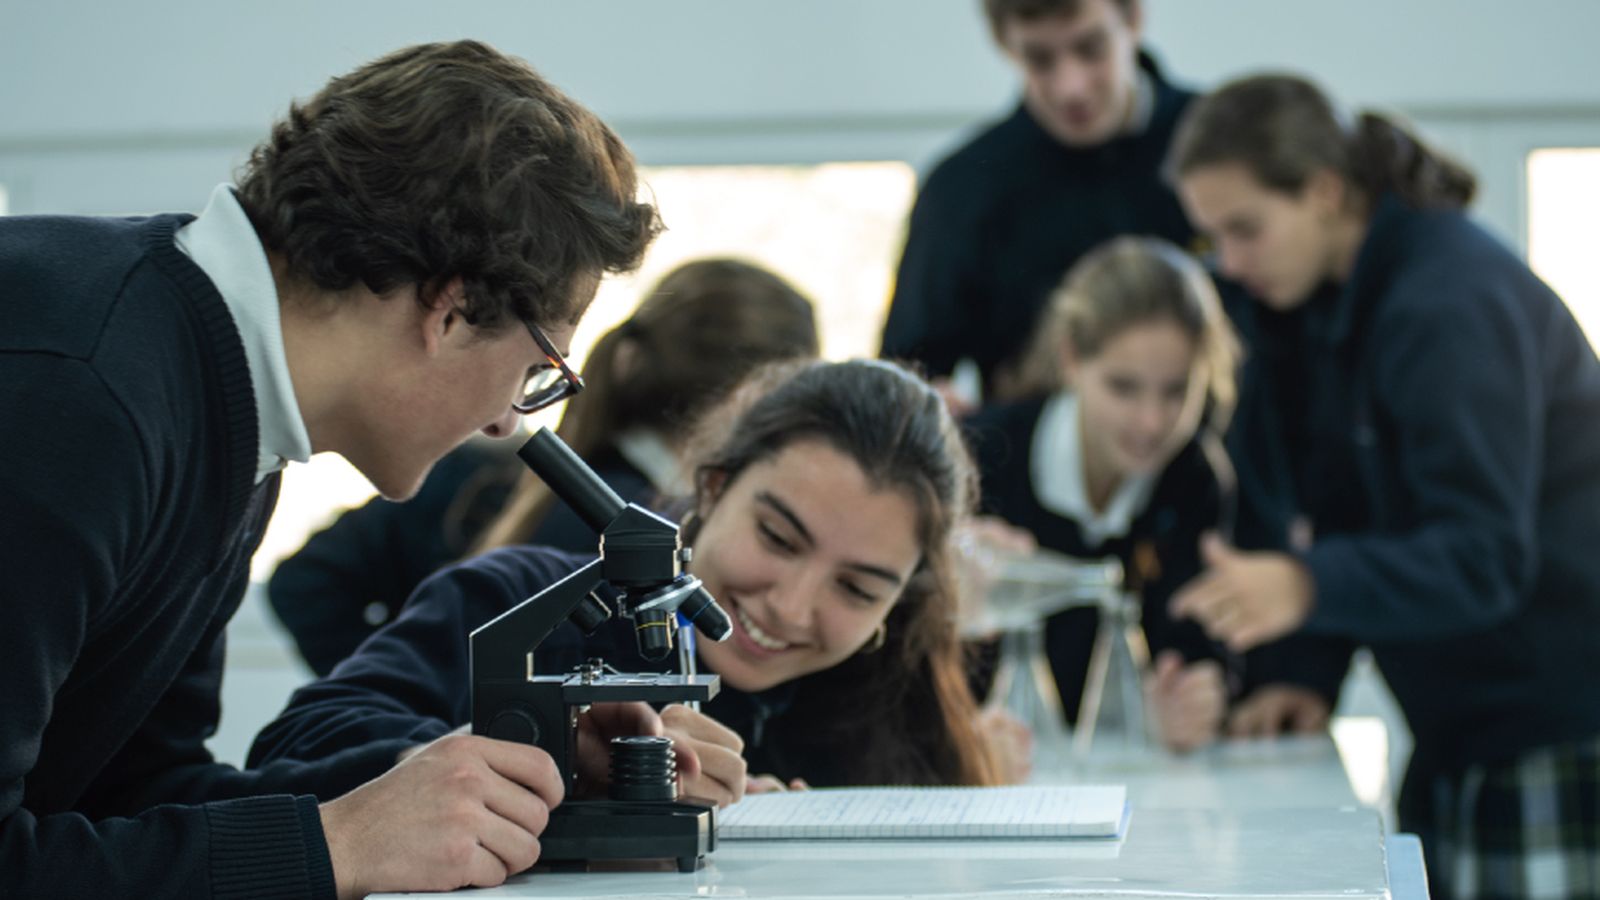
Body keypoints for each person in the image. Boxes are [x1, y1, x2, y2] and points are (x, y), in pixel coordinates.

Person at [0, 40, 664, 898]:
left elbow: (134, 792)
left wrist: (471, 784)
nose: (509, 420)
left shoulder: (223, 402)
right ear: (452, 310)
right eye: (539, 369)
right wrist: (339, 842)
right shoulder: (79, 396)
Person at [1167, 74, 1600, 898]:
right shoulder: (1324, 311)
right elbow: (1350, 513)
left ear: (1325, 192)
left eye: (1246, 229)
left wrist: (1304, 587)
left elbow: (1482, 556)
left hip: (1553, 727)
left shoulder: (1450, 300)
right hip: (1457, 728)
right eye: (1212, 238)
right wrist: (1308, 671)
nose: (1230, 263)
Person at [249, 359, 1004, 797]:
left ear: (902, 599)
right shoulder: (516, 599)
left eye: (858, 589)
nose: (792, 605)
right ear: (714, 488)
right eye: (778, 538)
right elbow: (293, 752)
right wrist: (565, 764)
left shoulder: (897, 711)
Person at [268, 258, 820, 675]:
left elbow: (303, 581)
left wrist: (391, 691)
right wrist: (402, 701)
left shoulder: (477, 466)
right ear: (747, 402)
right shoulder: (653, 543)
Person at [965, 236, 1240, 752]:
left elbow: (1198, 640)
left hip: (1129, 770)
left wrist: (1195, 697)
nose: (1151, 421)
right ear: (1071, 358)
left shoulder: (1196, 479)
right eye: (1123, 387)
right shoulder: (980, 458)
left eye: (1176, 391)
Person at [880, 0, 1197, 408]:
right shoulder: (965, 186)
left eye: (1091, 48)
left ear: (1133, 17)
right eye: (1040, 59)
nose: (1071, 87)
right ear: (1003, 42)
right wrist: (930, 406)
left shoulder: (1220, 146)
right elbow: (906, 371)